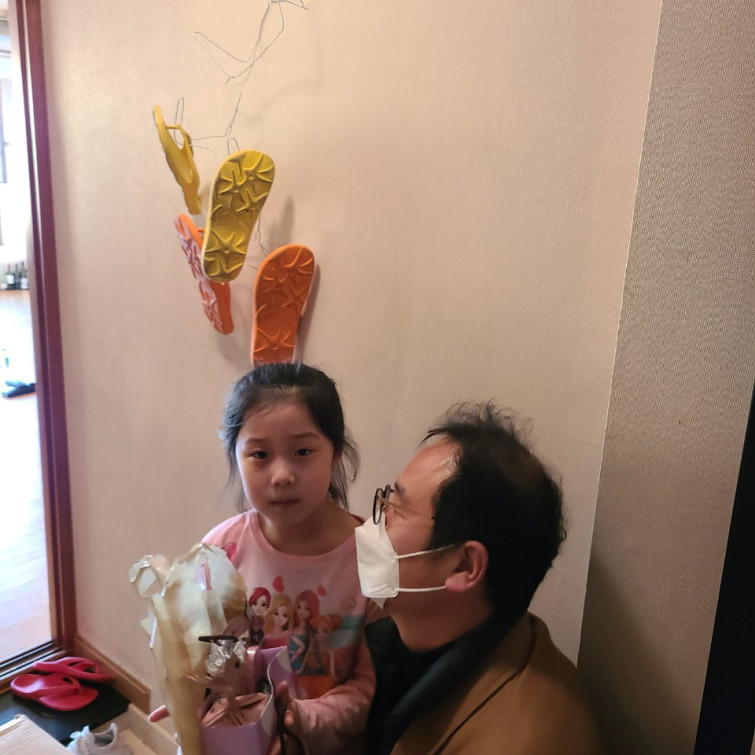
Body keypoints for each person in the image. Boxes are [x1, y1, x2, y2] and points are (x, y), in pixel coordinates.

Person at [355, 402, 603, 754]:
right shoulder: (404, 635)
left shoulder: (521, 741)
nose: (374, 523)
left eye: (395, 510)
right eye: (386, 499)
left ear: (463, 566)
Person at [203, 362, 378, 754]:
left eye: (302, 451)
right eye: (260, 454)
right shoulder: (220, 552)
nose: (282, 474)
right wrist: (194, 695)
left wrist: (300, 719)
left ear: (335, 452)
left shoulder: (373, 558)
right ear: (235, 455)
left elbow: (373, 685)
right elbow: (208, 654)